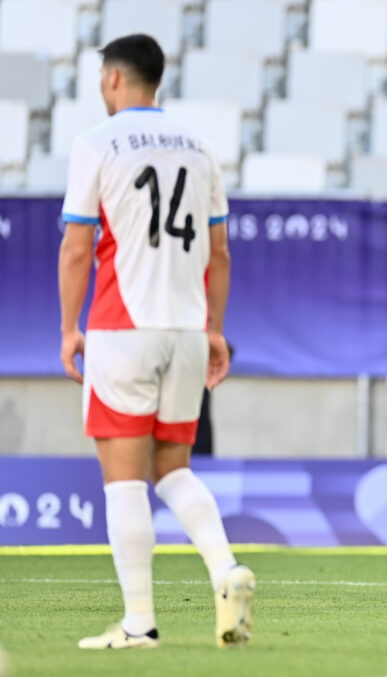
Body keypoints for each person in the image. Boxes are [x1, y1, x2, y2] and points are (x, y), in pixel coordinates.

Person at [57, 34, 254, 649]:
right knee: (173, 468)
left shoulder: (95, 143)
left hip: (123, 329)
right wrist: (215, 329)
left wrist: (69, 328)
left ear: (114, 80)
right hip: (188, 331)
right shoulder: (201, 149)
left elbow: (76, 248)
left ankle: (140, 621)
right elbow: (219, 253)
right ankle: (226, 569)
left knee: (123, 479)